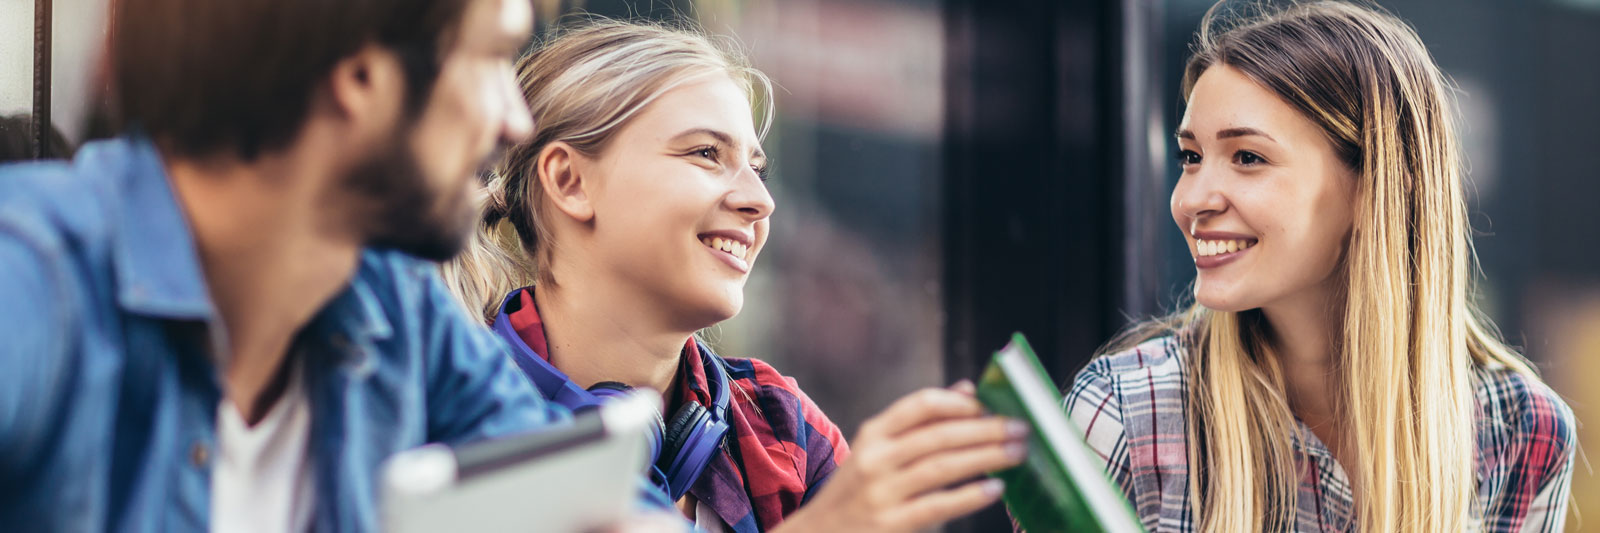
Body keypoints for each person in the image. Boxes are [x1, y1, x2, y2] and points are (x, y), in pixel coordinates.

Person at [0, 0, 670, 530]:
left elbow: (584, 494)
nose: (516, 119)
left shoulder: (399, 313)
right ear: (361, 76)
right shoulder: (34, 280)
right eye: (493, 56)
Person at [443, 20, 1029, 533]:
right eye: (704, 154)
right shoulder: (448, 409)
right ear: (569, 182)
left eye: (758, 168)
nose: (760, 201)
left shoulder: (783, 425)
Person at [1058, 2, 1576, 531]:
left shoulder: (1521, 432)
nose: (1191, 200)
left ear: (1374, 187)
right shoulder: (1121, 416)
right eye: (1191, 157)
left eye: (1247, 157)